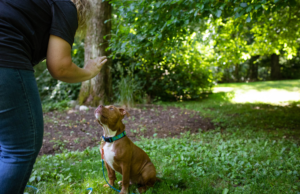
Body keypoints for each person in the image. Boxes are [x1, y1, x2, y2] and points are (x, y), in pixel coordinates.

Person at [0, 0, 106, 193]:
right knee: (20, 148)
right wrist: (89, 72)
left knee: (4, 144)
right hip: (6, 57)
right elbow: (60, 67)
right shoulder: (65, 5)